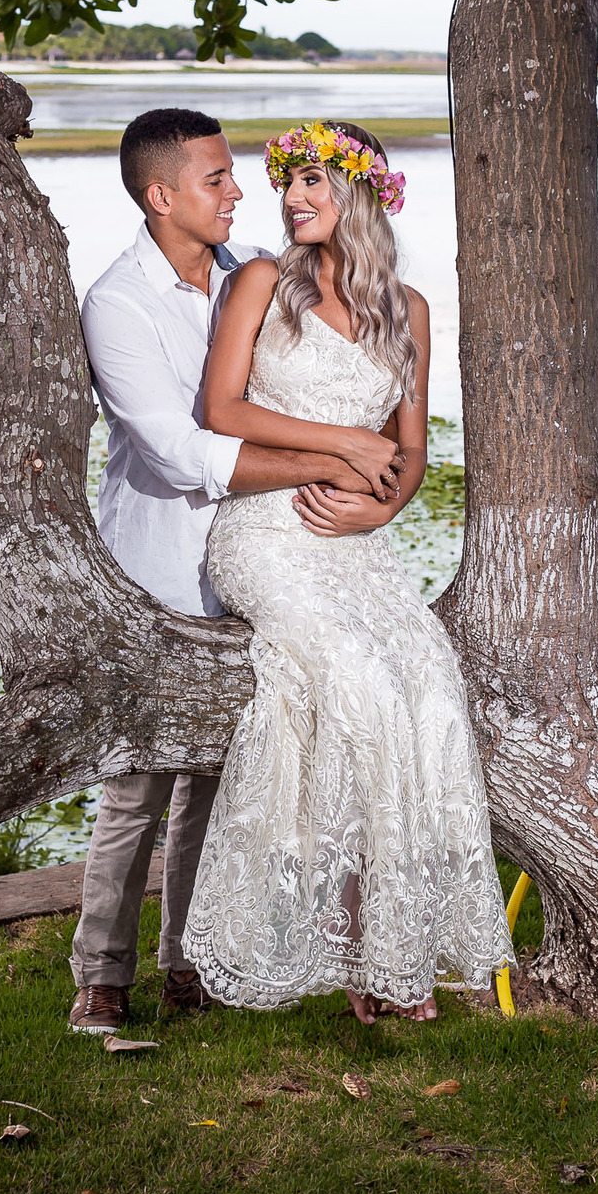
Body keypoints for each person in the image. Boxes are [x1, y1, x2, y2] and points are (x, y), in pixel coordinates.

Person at [182, 120, 514, 1023]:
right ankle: (340, 942)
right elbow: (220, 409)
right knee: (360, 687)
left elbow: (412, 455)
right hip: (266, 532)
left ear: (363, 194)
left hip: (360, 544)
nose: (292, 199)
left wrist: (382, 503)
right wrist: (340, 446)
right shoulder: (260, 283)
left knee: (433, 690)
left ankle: (395, 949)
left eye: (313, 184)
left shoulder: (409, 312)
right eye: (286, 183)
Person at [68, 108, 390, 1035]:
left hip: (260, 559)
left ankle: (187, 963)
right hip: (161, 567)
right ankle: (101, 974)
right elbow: (178, 453)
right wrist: (336, 460)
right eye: (216, 179)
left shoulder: (258, 269)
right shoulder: (117, 304)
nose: (238, 190)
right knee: (139, 781)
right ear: (162, 195)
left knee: (218, 777)